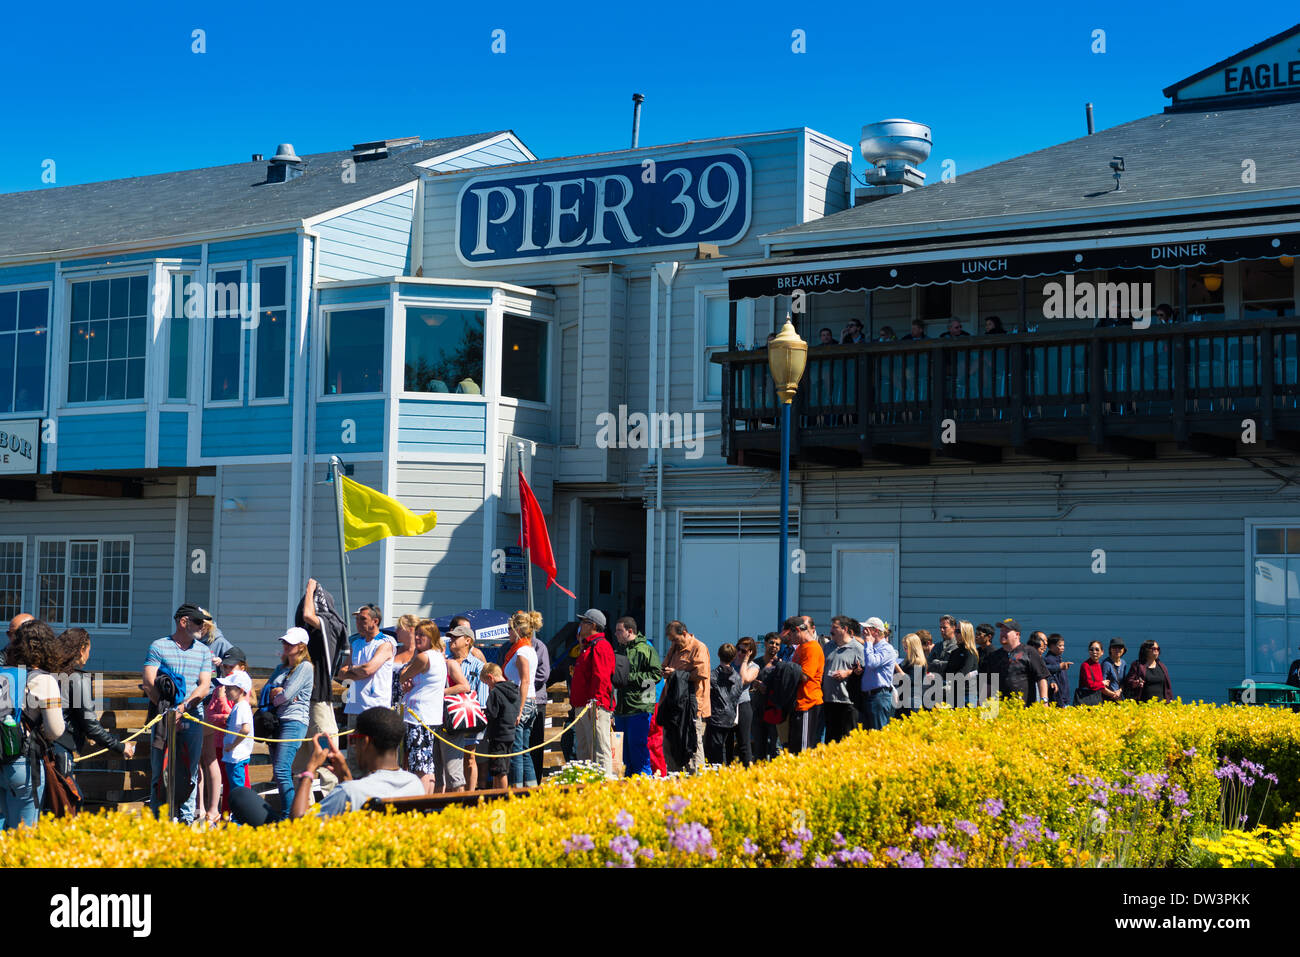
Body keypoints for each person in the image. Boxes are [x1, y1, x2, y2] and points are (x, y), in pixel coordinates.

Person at [230, 707, 425, 824]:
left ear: (365, 742)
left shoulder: (350, 792)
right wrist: (345, 777)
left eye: (354, 740)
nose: (353, 746)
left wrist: (309, 771)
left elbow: (298, 824)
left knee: (240, 796)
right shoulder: (415, 784)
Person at [50, 628, 135, 813]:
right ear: (81, 649)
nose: (89, 654)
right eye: (89, 648)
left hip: (41, 748)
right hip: (61, 750)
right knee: (69, 804)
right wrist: (120, 746)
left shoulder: (49, 673)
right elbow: (90, 725)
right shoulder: (77, 678)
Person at [143, 603, 213, 823]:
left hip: (193, 717)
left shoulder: (203, 651)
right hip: (163, 718)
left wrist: (183, 708)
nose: (203, 627)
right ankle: (159, 820)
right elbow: (148, 681)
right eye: (198, 622)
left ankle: (185, 821)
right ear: (184, 622)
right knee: (158, 771)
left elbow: (204, 686)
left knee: (190, 772)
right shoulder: (159, 646)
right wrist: (166, 711)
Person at [1, 620, 65, 829]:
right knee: (22, 835)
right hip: (23, 763)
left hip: (1, 756)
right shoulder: (44, 680)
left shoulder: (4, 674)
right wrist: (41, 735)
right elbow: (56, 729)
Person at [294, 577, 347, 797]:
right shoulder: (309, 631)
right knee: (299, 764)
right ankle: (301, 812)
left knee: (327, 758)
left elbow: (307, 615)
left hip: (319, 700)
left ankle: (331, 811)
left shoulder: (332, 624)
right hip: (301, 701)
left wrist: (309, 588)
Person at [263, 627, 314, 820]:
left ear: (301, 647)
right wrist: (279, 694)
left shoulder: (305, 667)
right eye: (284, 642)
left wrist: (280, 693)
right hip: (277, 722)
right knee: (280, 771)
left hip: (294, 721)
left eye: (290, 643)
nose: (285, 645)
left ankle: (290, 817)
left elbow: (285, 695)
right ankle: (290, 814)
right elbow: (269, 691)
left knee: (282, 770)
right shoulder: (280, 668)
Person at [339, 603, 394, 776]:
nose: (358, 622)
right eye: (357, 619)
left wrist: (354, 670)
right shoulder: (356, 643)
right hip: (355, 704)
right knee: (355, 755)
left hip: (375, 706)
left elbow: (369, 669)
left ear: (375, 621)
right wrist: (358, 670)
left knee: (373, 753)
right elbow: (342, 673)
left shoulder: (386, 643)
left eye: (363, 619)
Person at [397, 620, 447, 792]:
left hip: (419, 717)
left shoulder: (423, 657)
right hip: (430, 716)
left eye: (422, 635)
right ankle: (427, 800)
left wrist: (406, 677)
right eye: (416, 634)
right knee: (427, 764)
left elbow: (403, 675)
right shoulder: (438, 656)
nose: (417, 637)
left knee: (419, 764)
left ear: (431, 637)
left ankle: (420, 801)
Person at [199, 644, 246, 825]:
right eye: (224, 666)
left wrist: (219, 698)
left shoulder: (238, 687)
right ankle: (219, 813)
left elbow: (231, 715)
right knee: (215, 772)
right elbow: (214, 712)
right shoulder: (224, 684)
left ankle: (231, 817)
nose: (227, 670)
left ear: (242, 667)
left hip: (230, 743)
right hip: (219, 738)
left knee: (232, 781)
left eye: (230, 667)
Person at [612, 616, 662, 777]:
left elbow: (656, 675)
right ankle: (627, 787)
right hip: (621, 708)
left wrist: (630, 677)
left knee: (638, 748)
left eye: (619, 631)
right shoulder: (619, 649)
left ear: (630, 631)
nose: (616, 634)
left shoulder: (646, 649)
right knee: (624, 752)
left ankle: (644, 783)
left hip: (640, 706)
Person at [570, 609, 615, 777]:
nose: (580, 625)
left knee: (599, 748)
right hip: (582, 706)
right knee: (583, 749)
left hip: (594, 706)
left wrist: (596, 702)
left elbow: (601, 677)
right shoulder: (587, 646)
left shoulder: (600, 646)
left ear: (593, 626)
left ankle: (604, 784)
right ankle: (586, 784)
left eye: (584, 622)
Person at [662, 620, 711, 772]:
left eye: (675, 639)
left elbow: (701, 674)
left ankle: (697, 780)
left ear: (684, 633)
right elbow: (665, 666)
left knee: (693, 743)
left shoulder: (698, 647)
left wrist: (676, 674)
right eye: (671, 640)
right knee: (670, 743)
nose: (673, 643)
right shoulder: (675, 647)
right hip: (674, 704)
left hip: (692, 705)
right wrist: (664, 671)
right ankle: (674, 777)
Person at [444, 624, 486, 791]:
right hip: (447, 716)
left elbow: (482, 694)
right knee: (448, 755)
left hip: (468, 715)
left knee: (469, 755)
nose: (451, 640)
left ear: (468, 641)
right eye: (451, 637)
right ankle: (449, 792)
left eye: (455, 637)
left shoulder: (478, 665)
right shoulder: (445, 661)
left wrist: (479, 715)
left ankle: (470, 794)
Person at [502, 611, 541, 788]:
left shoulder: (522, 652)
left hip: (522, 702)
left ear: (517, 630)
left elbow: (524, 681)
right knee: (524, 750)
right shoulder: (529, 649)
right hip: (530, 701)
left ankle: (517, 790)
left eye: (510, 629)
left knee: (517, 751)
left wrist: (518, 709)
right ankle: (531, 788)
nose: (508, 633)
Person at [984, 619, 1049, 706]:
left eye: (1006, 630)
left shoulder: (1029, 652)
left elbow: (1041, 678)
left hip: (1024, 710)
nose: (1002, 633)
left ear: (1017, 634)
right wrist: (982, 703)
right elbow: (988, 682)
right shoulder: (994, 656)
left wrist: (1044, 701)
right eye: (1001, 630)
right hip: (999, 712)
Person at [481, 663, 522, 790]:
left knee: (500, 771)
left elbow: (492, 714)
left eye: (487, 683)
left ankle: (503, 798)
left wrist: (483, 713)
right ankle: (495, 795)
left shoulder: (495, 692)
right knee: (499, 769)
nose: (488, 686)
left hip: (497, 735)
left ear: (490, 677)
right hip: (509, 734)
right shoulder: (514, 689)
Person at [822, 617, 863, 742]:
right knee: (830, 740)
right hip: (829, 701)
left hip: (847, 702)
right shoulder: (828, 646)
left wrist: (848, 672)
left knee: (847, 740)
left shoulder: (857, 648)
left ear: (844, 629)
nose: (831, 630)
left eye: (835, 627)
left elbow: (864, 670)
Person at [854, 617, 897, 730]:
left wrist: (868, 643)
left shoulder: (887, 649)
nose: (864, 632)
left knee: (878, 733)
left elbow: (872, 663)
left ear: (876, 631)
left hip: (879, 696)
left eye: (867, 629)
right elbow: (871, 667)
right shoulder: (871, 648)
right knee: (866, 734)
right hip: (868, 696)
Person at [218, 671, 254, 800]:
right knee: (236, 789)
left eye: (229, 688)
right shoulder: (238, 706)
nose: (226, 691)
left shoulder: (242, 707)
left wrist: (232, 746)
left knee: (238, 790)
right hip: (233, 756)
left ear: (241, 690)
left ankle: (240, 817)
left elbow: (246, 729)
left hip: (236, 756)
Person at [704, 644, 742, 765]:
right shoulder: (737, 677)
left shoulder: (713, 675)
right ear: (734, 657)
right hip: (731, 717)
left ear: (718, 655)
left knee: (714, 751)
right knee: (728, 749)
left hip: (715, 717)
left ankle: (715, 773)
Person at [751, 633, 783, 760]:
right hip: (758, 710)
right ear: (765, 644)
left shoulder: (781, 665)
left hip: (774, 711)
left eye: (777, 644)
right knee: (759, 747)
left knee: (775, 747)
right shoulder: (756, 664)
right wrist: (755, 683)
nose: (774, 646)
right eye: (771, 643)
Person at [528, 629, 552, 784]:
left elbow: (543, 674)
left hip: (536, 700)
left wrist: (524, 685)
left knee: (535, 743)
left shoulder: (539, 646)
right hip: (514, 702)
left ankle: (535, 781)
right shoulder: (506, 648)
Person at [731, 637, 759, 767]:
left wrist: (745, 661)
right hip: (728, 705)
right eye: (738, 649)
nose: (740, 653)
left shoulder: (753, 666)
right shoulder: (730, 663)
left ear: (750, 652)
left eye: (744, 651)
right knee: (728, 741)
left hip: (743, 705)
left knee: (743, 741)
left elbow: (743, 680)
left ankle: (747, 770)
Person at [943, 620, 981, 705]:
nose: (955, 633)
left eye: (958, 631)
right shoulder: (955, 652)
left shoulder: (970, 652)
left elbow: (962, 673)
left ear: (966, 633)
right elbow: (947, 673)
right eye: (955, 631)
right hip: (954, 693)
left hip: (967, 694)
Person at [895, 633, 930, 717]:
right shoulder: (908, 660)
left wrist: (895, 665)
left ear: (913, 647)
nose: (904, 650)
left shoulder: (918, 661)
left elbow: (910, 680)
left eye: (906, 648)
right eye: (904, 647)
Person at [1074, 641, 1117, 706]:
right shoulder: (1085, 665)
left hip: (1096, 699)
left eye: (1097, 649)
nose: (1094, 652)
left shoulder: (1099, 665)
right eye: (1091, 649)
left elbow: (1100, 687)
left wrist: (1114, 694)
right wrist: (1102, 683)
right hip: (1085, 701)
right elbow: (1090, 685)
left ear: (1102, 652)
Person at [1042, 634, 1072, 707]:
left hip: (1063, 698)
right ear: (1051, 646)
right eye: (1060, 645)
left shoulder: (1058, 658)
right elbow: (1046, 669)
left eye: (1063, 645)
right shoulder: (1048, 659)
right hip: (1057, 699)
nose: (1063, 648)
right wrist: (1059, 666)